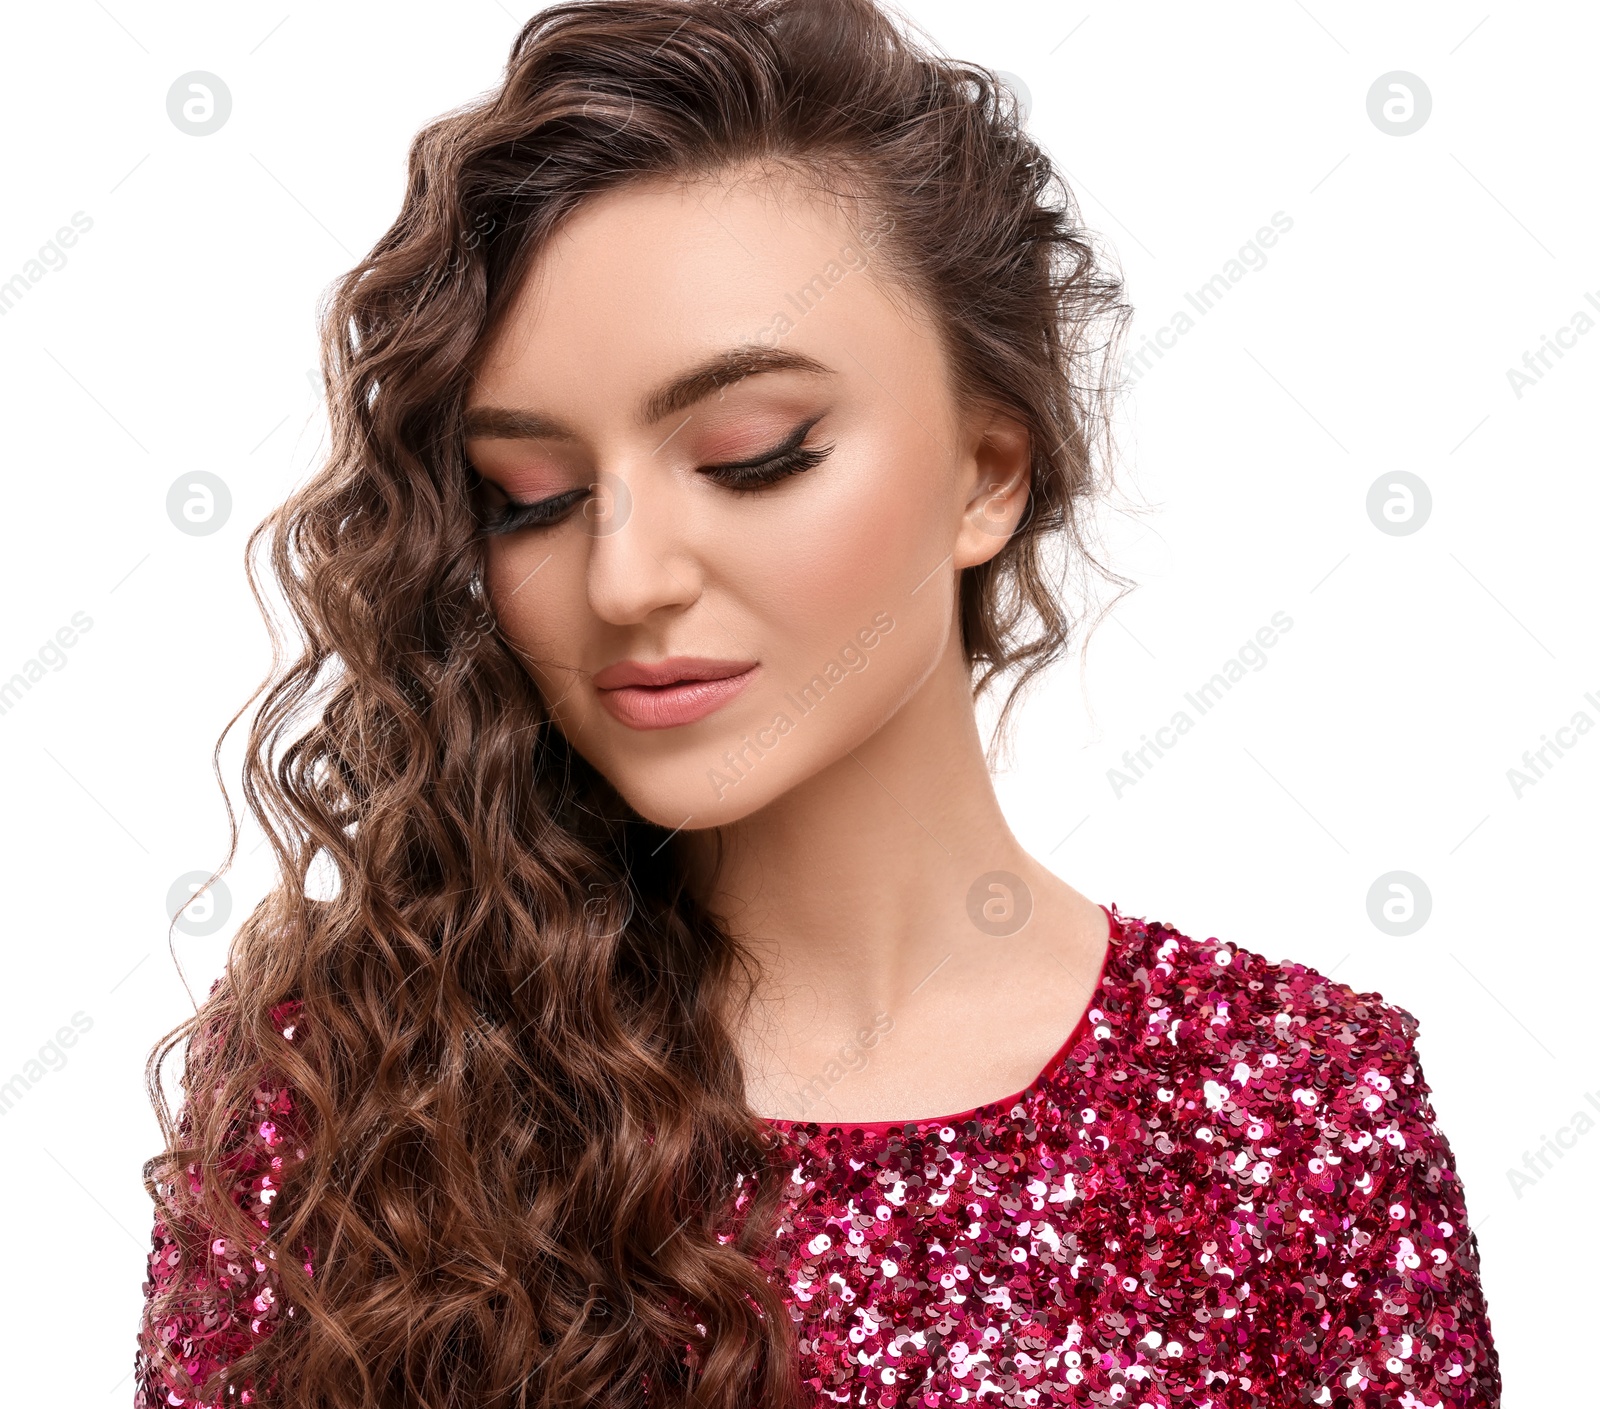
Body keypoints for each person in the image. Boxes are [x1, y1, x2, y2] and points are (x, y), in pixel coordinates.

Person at [133, 0, 1500, 1404]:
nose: (626, 575)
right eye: (529, 497)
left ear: (987, 473)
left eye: (752, 455)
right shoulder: (349, 1097)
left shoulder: (1295, 1112)